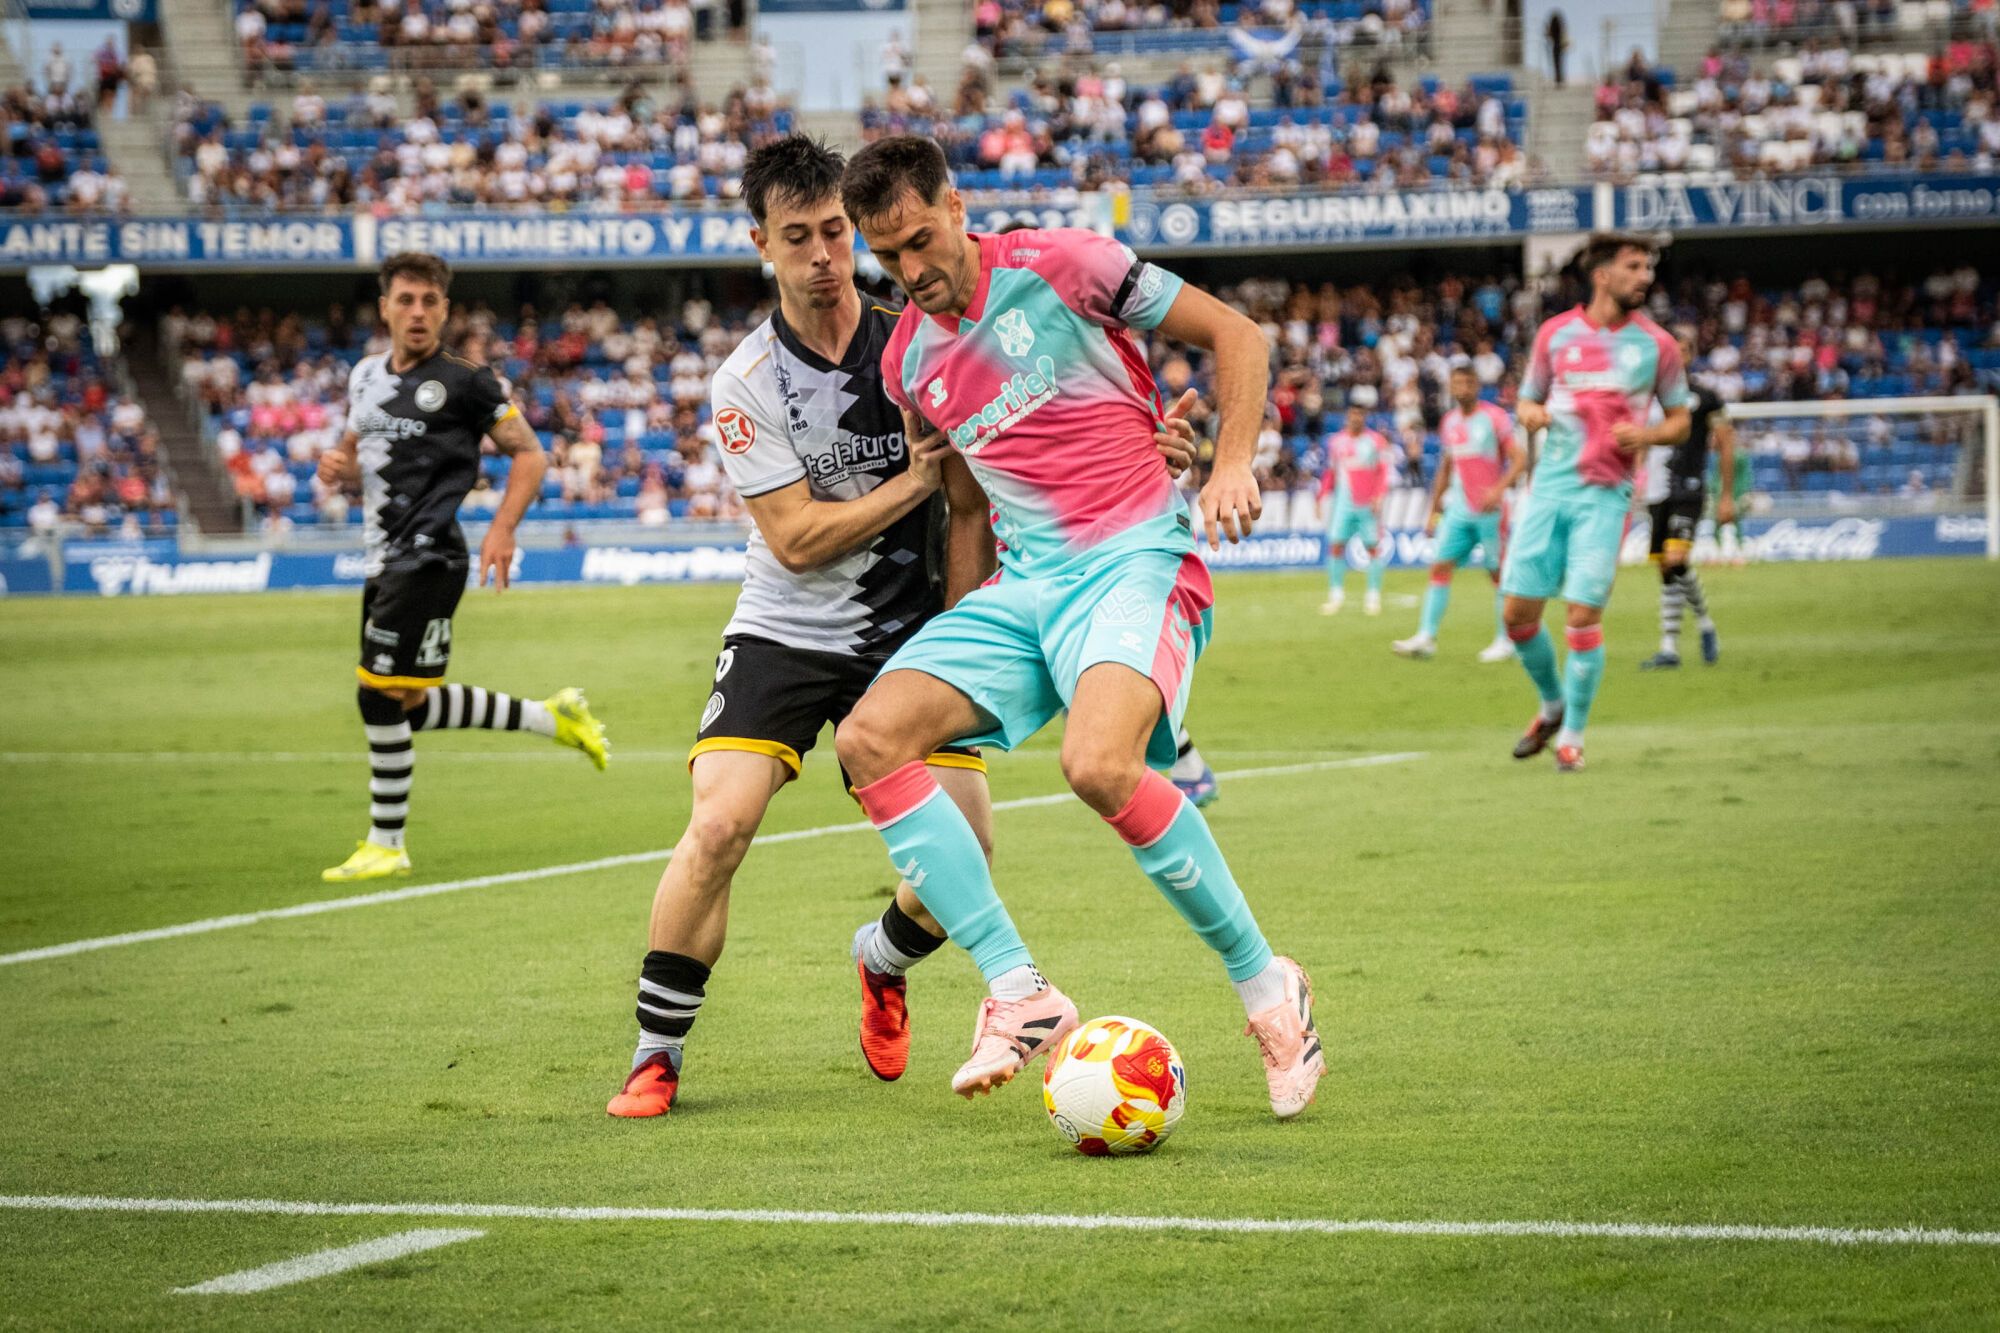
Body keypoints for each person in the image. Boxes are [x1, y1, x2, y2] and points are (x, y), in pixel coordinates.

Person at [606, 138, 1200, 1118]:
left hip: (910, 623)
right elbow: (796, 539)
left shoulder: (920, 338)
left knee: (968, 847)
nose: (822, 256)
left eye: (835, 233)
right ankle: (654, 1052)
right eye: (796, 237)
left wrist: (1148, 450)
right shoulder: (747, 379)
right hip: (786, 627)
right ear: (761, 244)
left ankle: (880, 960)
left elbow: (989, 487)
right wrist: (915, 480)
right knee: (718, 823)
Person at [834, 134, 1325, 1119]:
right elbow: (968, 506)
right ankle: (1019, 990)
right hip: (1026, 586)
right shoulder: (907, 361)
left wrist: (1230, 461)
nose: (912, 271)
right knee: (869, 738)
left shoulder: (1065, 264)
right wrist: (957, 637)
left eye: (921, 241)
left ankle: (1269, 988)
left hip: (1133, 556)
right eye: (888, 256)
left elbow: (1236, 334)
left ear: (956, 207)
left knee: (1098, 765)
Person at [317, 253, 608, 883]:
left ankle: (386, 843)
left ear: (445, 310)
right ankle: (550, 717)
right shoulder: (365, 377)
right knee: (407, 703)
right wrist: (337, 466)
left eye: (430, 301)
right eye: (406, 300)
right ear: (385, 309)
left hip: (428, 556)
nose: (417, 312)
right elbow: (356, 453)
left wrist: (502, 529)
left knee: (376, 695)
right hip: (381, 554)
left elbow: (529, 455)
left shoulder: (468, 382)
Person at [1500, 234, 1690, 772]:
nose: (1645, 276)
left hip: (1606, 495)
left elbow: (1681, 420)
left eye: (1647, 267)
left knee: (1582, 614)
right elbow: (1528, 398)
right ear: (1602, 275)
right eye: (1634, 266)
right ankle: (1552, 705)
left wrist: (1647, 436)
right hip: (1549, 490)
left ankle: (1573, 738)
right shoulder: (1555, 334)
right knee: (1517, 617)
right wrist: (1530, 414)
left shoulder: (1657, 346)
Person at [1392, 364, 1526, 662]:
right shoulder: (1449, 421)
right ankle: (1426, 637)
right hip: (1459, 510)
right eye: (1457, 383)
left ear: (1476, 385)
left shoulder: (1494, 417)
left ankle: (1506, 640)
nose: (1462, 388)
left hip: (1490, 511)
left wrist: (1498, 490)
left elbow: (1519, 460)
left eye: (1467, 382)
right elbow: (1445, 467)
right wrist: (1434, 509)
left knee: (1498, 572)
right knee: (1440, 566)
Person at [1639, 333, 1734, 669]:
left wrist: (1726, 496)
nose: (1677, 356)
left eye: (1683, 350)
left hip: (1689, 486)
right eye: (1671, 351)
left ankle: (1704, 623)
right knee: (1665, 566)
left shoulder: (1706, 398)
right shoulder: (1647, 396)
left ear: (1691, 356)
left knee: (1676, 558)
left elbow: (1726, 443)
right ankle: (1670, 648)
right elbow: (1641, 441)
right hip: (1656, 488)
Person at [1317, 400, 1393, 617]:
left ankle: (1373, 596)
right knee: (1335, 545)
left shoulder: (1376, 441)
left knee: (1373, 547)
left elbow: (1383, 471)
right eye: (1352, 414)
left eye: (1360, 414)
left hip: (1368, 504)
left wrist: (1379, 495)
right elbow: (1331, 472)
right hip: (1343, 503)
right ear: (1347, 416)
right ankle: (1336, 595)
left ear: (1365, 417)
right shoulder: (1336, 442)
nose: (1356, 418)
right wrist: (1321, 495)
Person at [1710, 423, 1753, 565]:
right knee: (1717, 522)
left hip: (1736, 493)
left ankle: (1739, 552)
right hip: (1720, 493)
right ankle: (1718, 552)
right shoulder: (1718, 456)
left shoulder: (1740, 456)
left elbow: (1745, 477)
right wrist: (1714, 490)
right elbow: (1716, 477)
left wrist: (1741, 493)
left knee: (1735, 520)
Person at [1545, 9, 1568, 86]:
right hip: (1559, 46)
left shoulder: (1554, 27)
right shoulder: (1560, 27)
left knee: (1556, 64)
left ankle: (1558, 79)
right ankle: (1559, 79)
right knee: (1560, 64)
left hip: (1556, 46)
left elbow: (1549, 35)